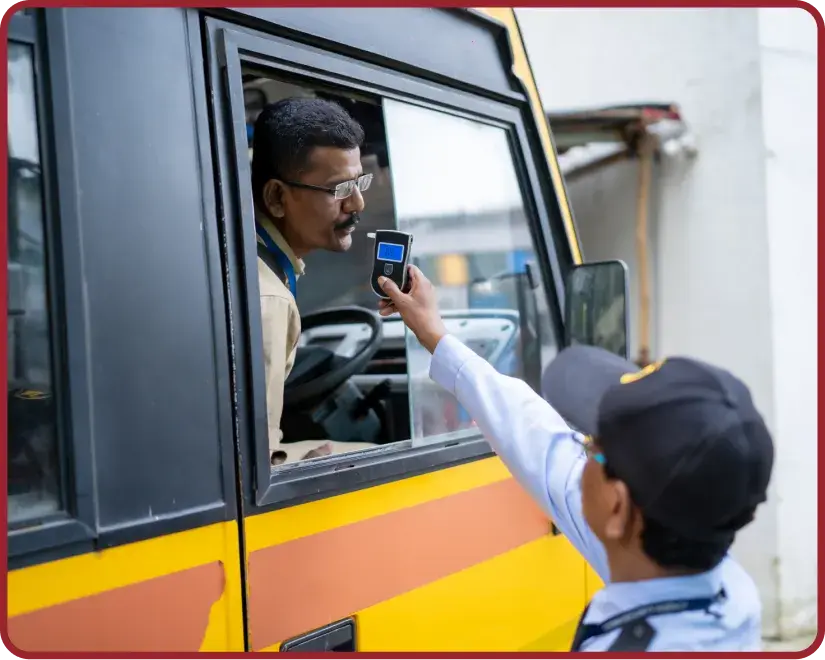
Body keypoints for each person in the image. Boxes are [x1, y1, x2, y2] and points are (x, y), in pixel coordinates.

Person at [376, 266, 774, 652]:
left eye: (587, 448)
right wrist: (436, 336)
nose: (575, 459)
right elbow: (539, 442)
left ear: (617, 505)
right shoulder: (725, 586)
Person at [251, 97, 377, 466]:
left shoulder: (247, 259)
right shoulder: (267, 300)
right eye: (339, 190)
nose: (357, 204)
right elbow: (255, 468)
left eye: (361, 183)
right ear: (277, 197)